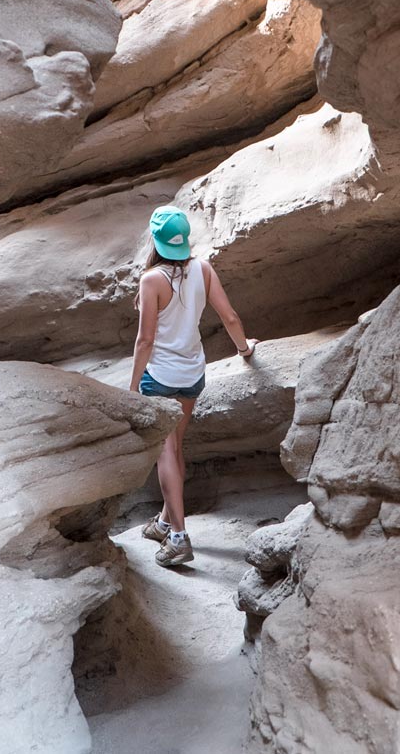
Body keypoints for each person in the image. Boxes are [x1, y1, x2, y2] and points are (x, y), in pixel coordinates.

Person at [129, 204, 257, 567]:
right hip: (191, 374)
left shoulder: (152, 280)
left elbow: (145, 341)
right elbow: (230, 316)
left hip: (161, 378)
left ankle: (179, 538)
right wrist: (244, 349)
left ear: (155, 241)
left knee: (165, 452)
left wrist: (133, 386)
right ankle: (164, 522)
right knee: (177, 446)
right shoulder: (203, 269)